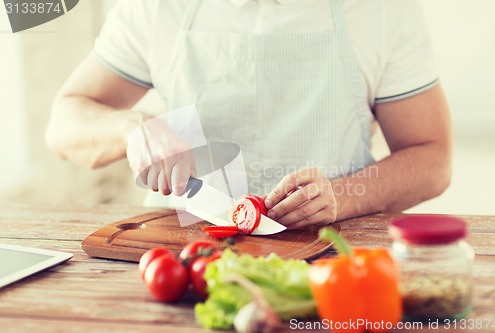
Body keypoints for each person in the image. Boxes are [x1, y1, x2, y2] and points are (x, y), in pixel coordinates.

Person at [45, 0, 452, 229]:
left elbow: (432, 158)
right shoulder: (157, 8)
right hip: (184, 253)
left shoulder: (382, 11)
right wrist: (131, 129)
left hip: (333, 248)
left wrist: (340, 197)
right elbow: (63, 123)